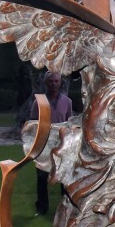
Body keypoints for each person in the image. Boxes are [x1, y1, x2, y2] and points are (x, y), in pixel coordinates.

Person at [30, 71, 73, 216]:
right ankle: (42, 208)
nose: (54, 84)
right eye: (51, 81)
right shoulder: (39, 102)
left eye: (56, 81)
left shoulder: (67, 102)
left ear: (60, 83)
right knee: (42, 177)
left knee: (63, 176)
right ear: (46, 83)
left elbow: (70, 124)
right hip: (43, 144)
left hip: (61, 144)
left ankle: (66, 208)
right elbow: (33, 124)